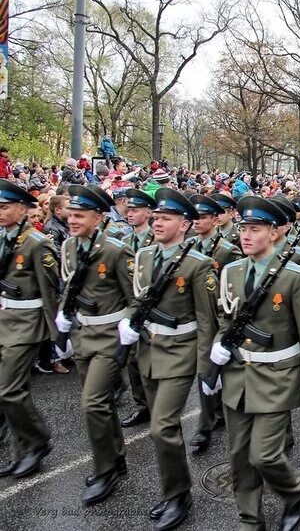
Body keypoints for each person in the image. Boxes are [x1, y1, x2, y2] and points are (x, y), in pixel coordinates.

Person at [207, 196, 300, 531]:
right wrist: (217, 350)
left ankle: (294, 491)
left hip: (277, 378)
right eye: (243, 228)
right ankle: (250, 518)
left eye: (255, 229)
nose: (245, 235)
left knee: (264, 455)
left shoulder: (295, 276)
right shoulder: (231, 272)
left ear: (274, 233)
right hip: (237, 375)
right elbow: (225, 321)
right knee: (239, 456)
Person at [117, 188, 219, 530]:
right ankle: (172, 490)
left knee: (162, 426)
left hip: (179, 352)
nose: (158, 223)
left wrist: (208, 368)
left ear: (185, 224)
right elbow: (138, 298)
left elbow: (207, 320)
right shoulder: (144, 255)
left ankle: (178, 495)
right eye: (156, 217)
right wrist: (128, 320)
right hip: (147, 349)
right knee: (163, 428)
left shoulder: (198, 264)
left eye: (166, 218)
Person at [55, 185, 134, 504]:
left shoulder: (116, 250)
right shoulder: (70, 246)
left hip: (109, 337)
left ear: (99, 217)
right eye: (70, 214)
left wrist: (129, 322)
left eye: (80, 215)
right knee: (101, 404)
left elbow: (136, 298)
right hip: (82, 335)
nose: (72, 220)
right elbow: (69, 288)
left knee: (93, 403)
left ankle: (105, 471)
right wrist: (62, 319)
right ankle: (116, 459)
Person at [0, 180, 59, 479]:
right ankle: (21, 451)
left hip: (26, 326)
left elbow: (50, 290)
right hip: (3, 321)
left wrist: (56, 335)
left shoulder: (37, 244)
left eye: (5, 207)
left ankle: (37, 441)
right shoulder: (2, 237)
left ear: (22, 209)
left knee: (8, 389)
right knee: (13, 391)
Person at [186, 194, 242, 452]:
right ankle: (209, 418)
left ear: (215, 219)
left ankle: (207, 423)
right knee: (203, 370)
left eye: (203, 217)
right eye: (194, 217)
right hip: (192, 314)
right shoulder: (189, 246)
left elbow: (235, 285)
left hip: (219, 314)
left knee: (212, 367)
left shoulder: (227, 249)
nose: (197, 222)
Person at [119, 189, 156, 429]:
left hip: (152, 309)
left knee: (150, 361)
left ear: (149, 212)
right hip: (128, 307)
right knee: (132, 360)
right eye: (128, 209)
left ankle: (157, 406)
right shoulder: (124, 241)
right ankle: (142, 405)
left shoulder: (157, 240)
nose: (130, 213)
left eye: (136, 210)